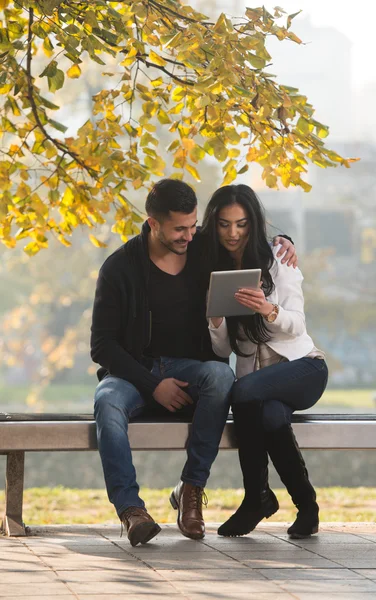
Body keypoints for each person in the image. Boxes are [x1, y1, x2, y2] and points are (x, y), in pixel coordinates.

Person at [90, 178, 296, 546]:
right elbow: (102, 346)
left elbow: (246, 238)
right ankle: (131, 510)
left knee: (221, 375)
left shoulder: (204, 251)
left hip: (193, 370)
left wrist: (284, 242)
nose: (190, 235)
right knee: (106, 402)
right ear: (153, 224)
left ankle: (191, 489)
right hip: (133, 374)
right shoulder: (120, 267)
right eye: (179, 229)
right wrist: (153, 385)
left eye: (194, 225)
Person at [203, 184, 328, 539]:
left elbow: (299, 324)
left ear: (253, 223)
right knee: (270, 416)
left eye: (241, 224)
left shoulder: (278, 258)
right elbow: (222, 349)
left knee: (242, 391)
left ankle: (255, 498)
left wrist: (268, 309)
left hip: (304, 368)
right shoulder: (217, 269)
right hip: (260, 386)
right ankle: (307, 507)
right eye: (224, 224)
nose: (233, 233)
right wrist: (214, 317)